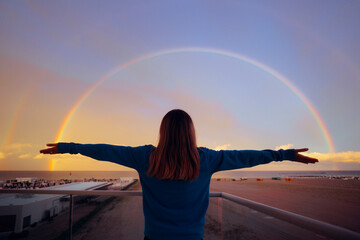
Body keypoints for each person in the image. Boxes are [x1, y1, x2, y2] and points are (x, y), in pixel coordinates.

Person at [40, 109, 318, 240]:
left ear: (163, 131)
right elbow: (248, 156)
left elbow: (104, 150)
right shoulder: (206, 159)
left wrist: (68, 147)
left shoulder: (145, 157)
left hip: (154, 236)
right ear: (191, 132)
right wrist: (285, 154)